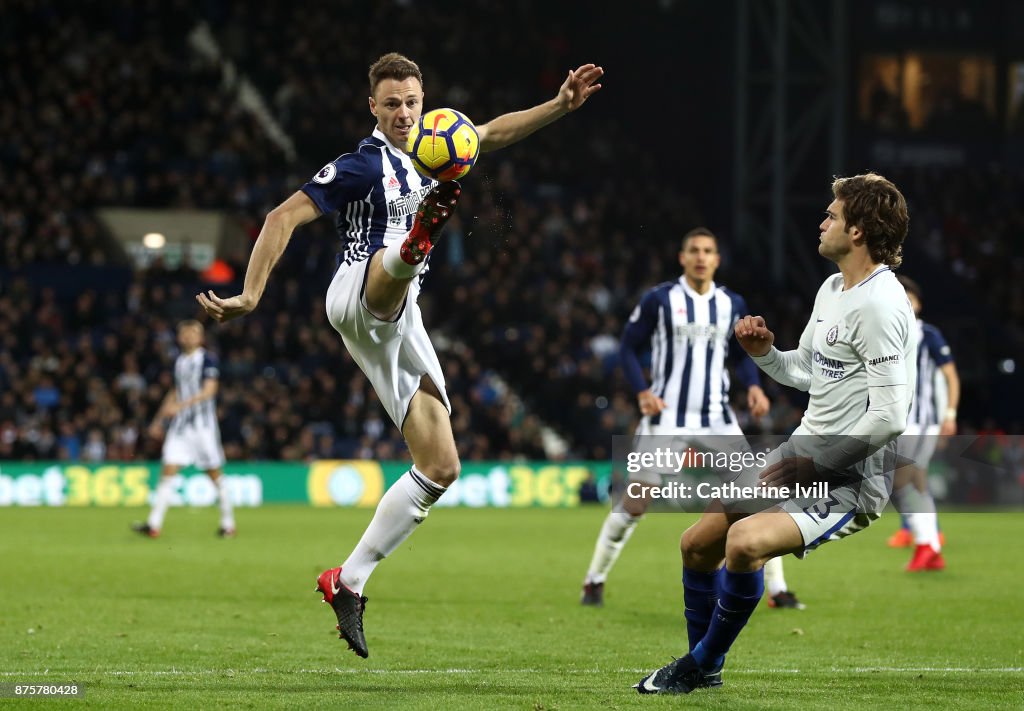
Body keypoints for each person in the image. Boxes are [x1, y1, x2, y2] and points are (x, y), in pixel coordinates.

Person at [196, 52, 603, 658]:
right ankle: (415, 244)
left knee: (441, 466)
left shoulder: (438, 144)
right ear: (373, 107)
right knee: (395, 271)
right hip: (359, 289)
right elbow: (282, 216)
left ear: (423, 99)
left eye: (412, 101)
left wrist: (560, 106)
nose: (405, 113)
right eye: (392, 104)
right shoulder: (362, 165)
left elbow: (490, 132)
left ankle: (348, 580)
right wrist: (252, 294)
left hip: (398, 314)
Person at [635, 172, 915, 694]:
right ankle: (706, 669)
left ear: (857, 231)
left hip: (850, 477)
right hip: (802, 454)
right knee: (696, 543)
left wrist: (818, 465)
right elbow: (806, 372)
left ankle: (696, 665)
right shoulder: (833, 289)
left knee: (744, 542)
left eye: (832, 214)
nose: (822, 221)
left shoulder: (881, 305)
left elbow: (892, 415)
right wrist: (765, 352)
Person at [580, 228, 804, 610]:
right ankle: (593, 581)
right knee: (636, 502)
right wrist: (642, 391)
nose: (701, 256)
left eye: (708, 251)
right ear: (682, 258)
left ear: (717, 259)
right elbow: (629, 348)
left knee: (757, 497)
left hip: (717, 419)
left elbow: (740, 355)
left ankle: (778, 591)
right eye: (694, 251)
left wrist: (753, 386)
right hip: (667, 416)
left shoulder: (731, 303)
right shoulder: (660, 299)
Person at [132, 320, 234, 538]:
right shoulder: (179, 362)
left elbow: (209, 391)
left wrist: (180, 406)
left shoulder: (207, 359)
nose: (188, 336)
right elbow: (175, 392)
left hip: (203, 428)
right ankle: (153, 525)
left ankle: (228, 523)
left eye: (193, 332)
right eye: (185, 333)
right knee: (167, 470)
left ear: (201, 337)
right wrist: (158, 421)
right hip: (180, 428)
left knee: (214, 474)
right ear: (179, 337)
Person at [887, 275, 959, 571]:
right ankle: (929, 548)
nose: (904, 301)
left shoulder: (926, 333)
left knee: (906, 484)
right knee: (913, 484)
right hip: (900, 421)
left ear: (918, 304)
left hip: (918, 420)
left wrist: (949, 414)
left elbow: (951, 376)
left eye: (909, 297)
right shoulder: (888, 332)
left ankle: (927, 545)